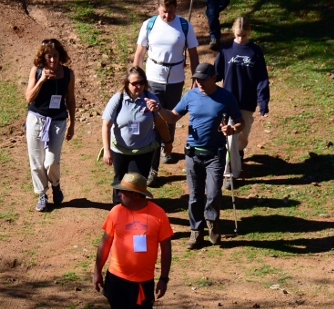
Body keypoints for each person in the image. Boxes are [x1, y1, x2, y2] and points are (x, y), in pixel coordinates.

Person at [148, 61, 243, 248]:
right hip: (192, 154)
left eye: (202, 79)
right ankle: (196, 231)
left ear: (214, 78)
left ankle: (212, 223)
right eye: (196, 79)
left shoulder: (226, 97)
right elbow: (174, 116)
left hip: (215, 154)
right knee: (195, 195)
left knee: (214, 193)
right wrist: (159, 110)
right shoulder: (190, 96)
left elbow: (240, 122)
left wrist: (231, 129)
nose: (198, 82)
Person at [93, 172, 173, 309]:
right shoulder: (116, 212)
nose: (118, 194)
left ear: (136, 195)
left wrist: (164, 278)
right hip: (116, 279)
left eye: (123, 192)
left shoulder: (158, 215)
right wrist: (97, 270)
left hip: (142, 282)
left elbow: (166, 248)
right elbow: (105, 243)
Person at [133, 0, 199, 184]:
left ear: (175, 8)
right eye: (163, 12)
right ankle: (153, 169)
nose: (166, 16)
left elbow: (194, 54)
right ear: (158, 8)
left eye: (170, 12)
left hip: (176, 80)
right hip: (153, 78)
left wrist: (195, 78)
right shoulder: (149, 25)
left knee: (171, 117)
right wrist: (136, 78)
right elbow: (140, 52)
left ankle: (166, 146)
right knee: (155, 121)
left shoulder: (185, 26)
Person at [215, 16, 270, 189]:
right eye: (238, 35)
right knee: (230, 138)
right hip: (228, 101)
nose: (241, 39)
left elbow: (262, 78)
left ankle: (238, 153)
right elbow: (216, 74)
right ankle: (229, 174)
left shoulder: (255, 51)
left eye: (244, 35)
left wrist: (263, 100)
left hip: (247, 101)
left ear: (249, 32)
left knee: (242, 136)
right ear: (233, 32)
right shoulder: (226, 49)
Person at [101, 67, 170, 203]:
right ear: (127, 83)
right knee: (119, 181)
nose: (139, 86)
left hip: (143, 150)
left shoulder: (151, 99)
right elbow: (106, 125)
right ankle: (118, 212)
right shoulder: (118, 99)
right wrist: (107, 151)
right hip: (120, 150)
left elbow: (161, 124)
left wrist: (168, 142)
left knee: (137, 183)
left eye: (142, 82)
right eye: (134, 83)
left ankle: (138, 213)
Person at [25, 38, 76, 212]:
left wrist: (72, 124)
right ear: (43, 56)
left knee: (52, 161)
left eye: (55, 56)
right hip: (36, 118)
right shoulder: (37, 71)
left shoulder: (68, 74)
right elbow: (29, 97)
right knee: (36, 160)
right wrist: (42, 80)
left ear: (60, 55)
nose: (53, 60)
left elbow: (70, 99)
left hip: (58, 120)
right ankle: (42, 193)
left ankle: (55, 184)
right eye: (49, 57)